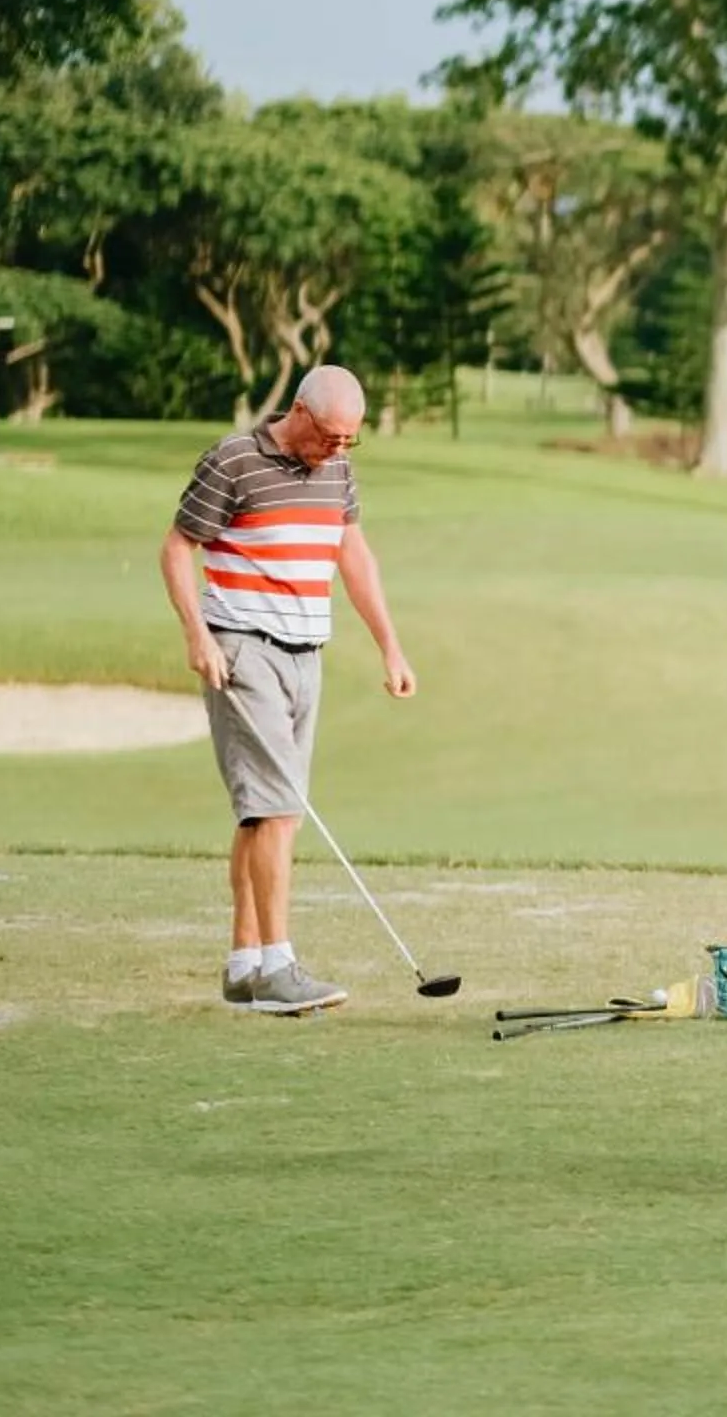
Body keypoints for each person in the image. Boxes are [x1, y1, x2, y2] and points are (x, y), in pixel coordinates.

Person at [159, 365, 417, 1014]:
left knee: (270, 815)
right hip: (243, 650)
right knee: (275, 811)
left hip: (308, 656)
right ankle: (278, 966)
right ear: (300, 412)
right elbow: (176, 549)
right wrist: (198, 635)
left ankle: (245, 965)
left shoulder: (337, 470)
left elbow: (352, 556)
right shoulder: (234, 460)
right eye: (331, 436)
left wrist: (390, 645)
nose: (338, 449)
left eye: (350, 441)